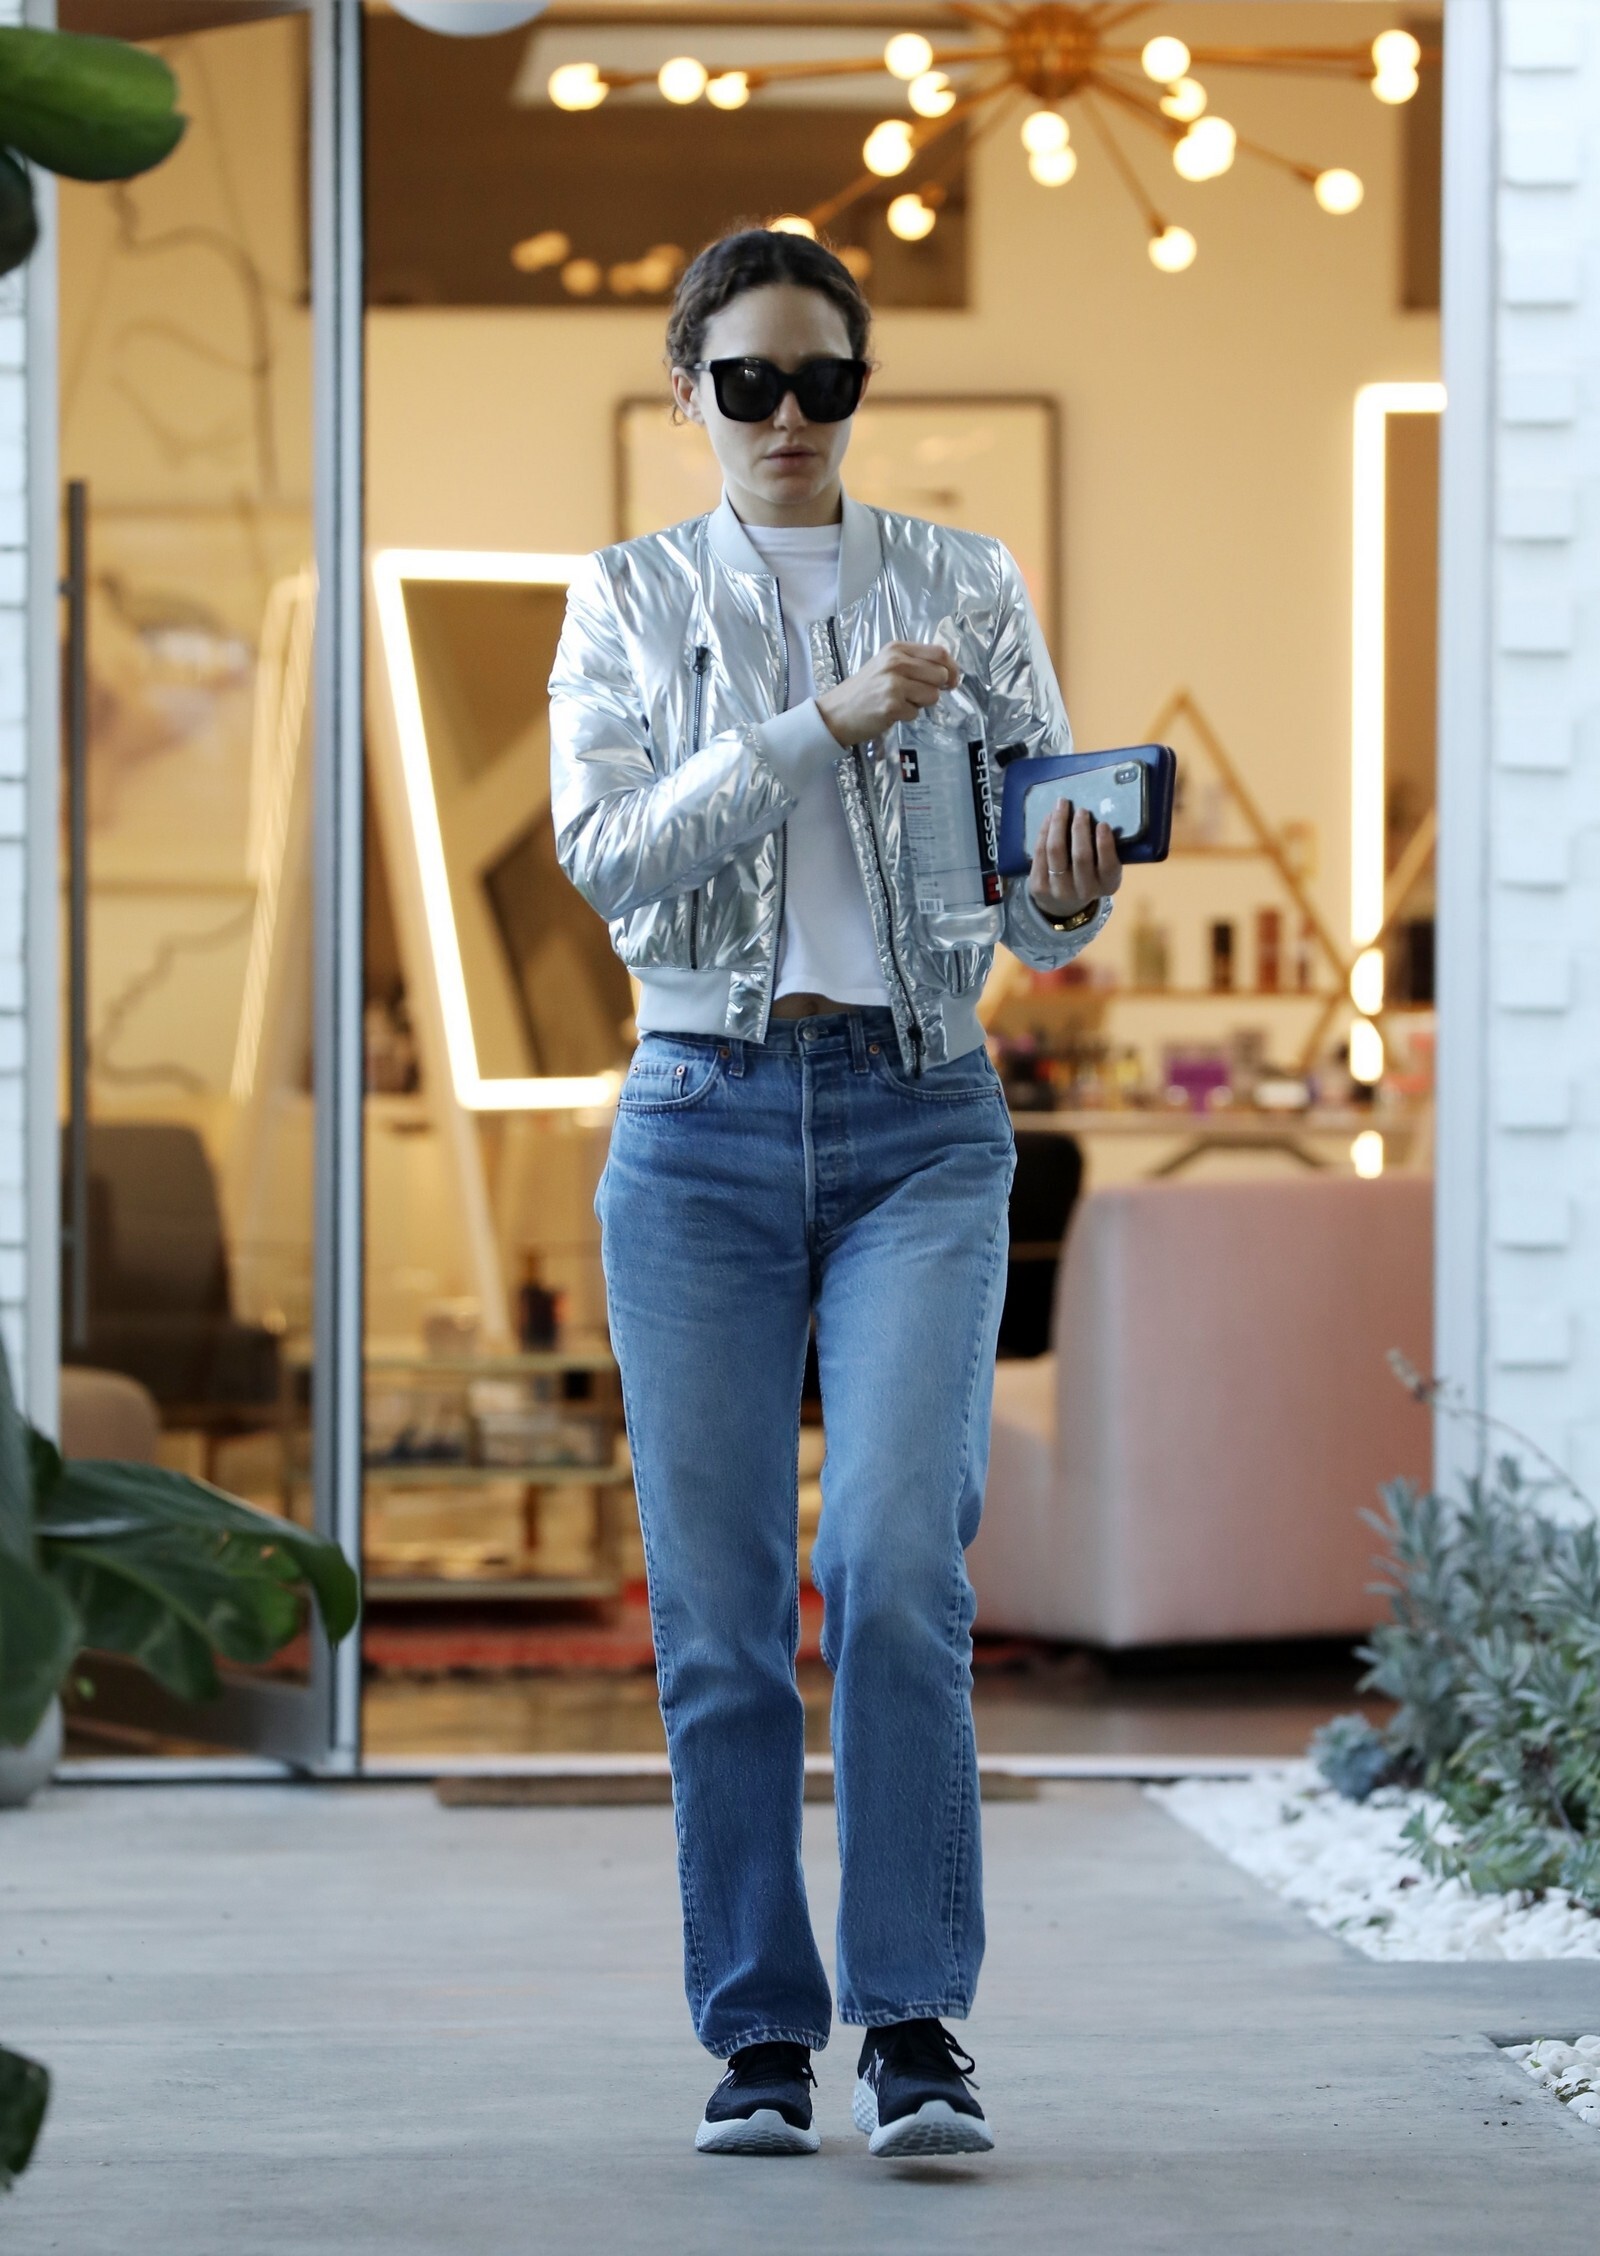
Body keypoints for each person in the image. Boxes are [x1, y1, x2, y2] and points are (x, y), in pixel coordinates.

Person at [549, 228, 1122, 2160]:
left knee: (892, 1564)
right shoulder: (628, 596)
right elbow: (610, 854)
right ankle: (758, 2038)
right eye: (750, 383)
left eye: (825, 381)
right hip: (695, 1123)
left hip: (923, 1120)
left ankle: (916, 2026)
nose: (789, 417)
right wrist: (826, 722)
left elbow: (1037, 903)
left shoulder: (969, 580)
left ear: (860, 390)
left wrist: (1065, 889)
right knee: (720, 1614)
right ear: (689, 393)